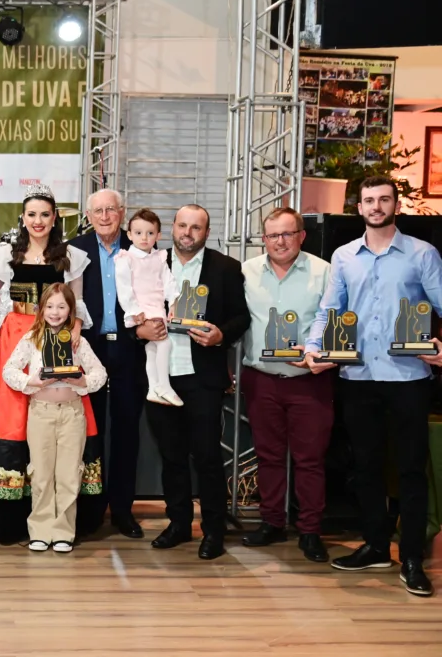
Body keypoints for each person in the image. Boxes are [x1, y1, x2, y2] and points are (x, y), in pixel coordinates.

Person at [305, 176, 442, 596]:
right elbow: (331, 309)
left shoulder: (422, 254)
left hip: (408, 378)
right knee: (364, 467)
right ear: (359, 207)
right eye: (369, 200)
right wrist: (313, 347)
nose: (376, 206)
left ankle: (413, 558)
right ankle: (376, 545)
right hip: (358, 376)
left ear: (396, 204)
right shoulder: (345, 256)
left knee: (410, 470)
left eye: (384, 199)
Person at [0, 183, 102, 543]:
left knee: (61, 410)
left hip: (59, 336)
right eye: (32, 214)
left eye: (45, 214)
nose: (38, 221)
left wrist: (74, 335)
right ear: (23, 218)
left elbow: (77, 304)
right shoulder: (5, 254)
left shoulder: (70, 257)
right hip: (17, 335)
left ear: (55, 219)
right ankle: (18, 518)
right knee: (16, 417)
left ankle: (63, 522)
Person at [145, 204, 250, 560]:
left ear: (206, 232)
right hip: (160, 376)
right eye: (183, 225)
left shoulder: (225, 268)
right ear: (172, 228)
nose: (188, 233)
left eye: (196, 227)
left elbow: (241, 318)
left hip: (202, 377)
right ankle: (178, 524)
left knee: (206, 457)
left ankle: (213, 531)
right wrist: (142, 328)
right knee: (171, 456)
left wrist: (221, 334)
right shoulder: (152, 264)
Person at [240, 208, 333, 563]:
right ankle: (272, 522)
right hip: (261, 379)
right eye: (272, 235)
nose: (280, 241)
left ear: (301, 235)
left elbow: (335, 319)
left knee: (310, 461)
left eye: (287, 234)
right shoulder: (246, 271)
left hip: (309, 382)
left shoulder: (324, 272)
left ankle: (310, 531)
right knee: (268, 457)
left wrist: (317, 352)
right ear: (263, 239)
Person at [2, 283, 107, 553]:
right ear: (41, 309)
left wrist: (81, 380)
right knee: (41, 474)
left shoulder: (77, 342)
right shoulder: (31, 339)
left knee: (69, 475)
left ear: (71, 310)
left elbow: (100, 374)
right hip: (40, 413)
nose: (55, 312)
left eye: (61, 306)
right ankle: (40, 530)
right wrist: (32, 382)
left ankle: (63, 533)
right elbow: (8, 371)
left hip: (72, 413)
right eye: (50, 306)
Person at [68, 190, 148, 538]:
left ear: (122, 212)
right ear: (88, 214)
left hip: (131, 348)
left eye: (110, 210)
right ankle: (91, 509)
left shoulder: (140, 246)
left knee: (128, 432)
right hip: (90, 348)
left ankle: (123, 510)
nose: (104, 216)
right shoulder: (75, 248)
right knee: (91, 431)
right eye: (97, 210)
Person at [114, 209, 181, 406]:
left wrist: (174, 300)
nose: (144, 238)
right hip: (142, 308)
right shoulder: (125, 258)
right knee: (164, 343)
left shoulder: (160, 257)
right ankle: (164, 385)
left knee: (152, 349)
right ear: (129, 235)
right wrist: (134, 311)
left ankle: (153, 388)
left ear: (158, 236)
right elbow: (123, 288)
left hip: (157, 306)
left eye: (150, 233)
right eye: (138, 233)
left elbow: (168, 281)